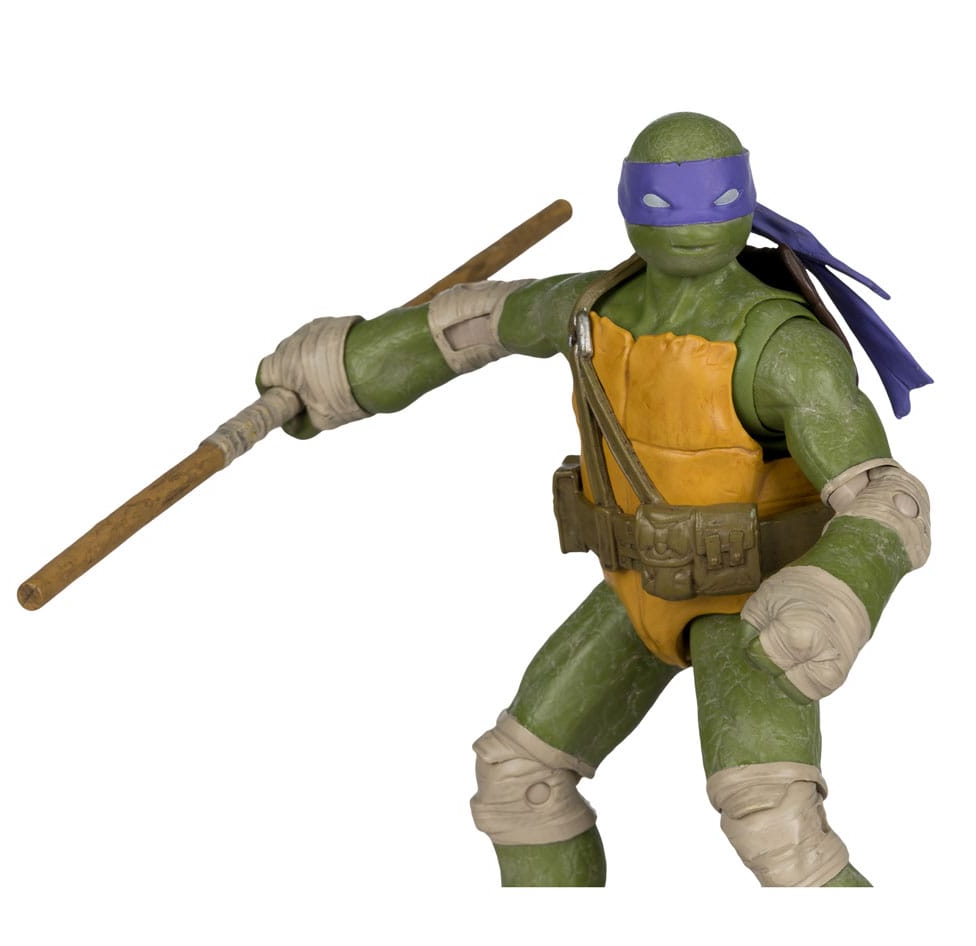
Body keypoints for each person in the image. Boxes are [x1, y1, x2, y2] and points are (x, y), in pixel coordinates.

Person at [256, 112, 930, 886]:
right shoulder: (591, 309)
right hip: (635, 591)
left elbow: (887, 498)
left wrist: (833, 592)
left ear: (745, 202)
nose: (688, 225)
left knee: (776, 828)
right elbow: (470, 325)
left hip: (749, 607)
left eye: (712, 199)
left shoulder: (785, 349)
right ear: (630, 203)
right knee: (520, 781)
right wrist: (335, 374)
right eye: (664, 202)